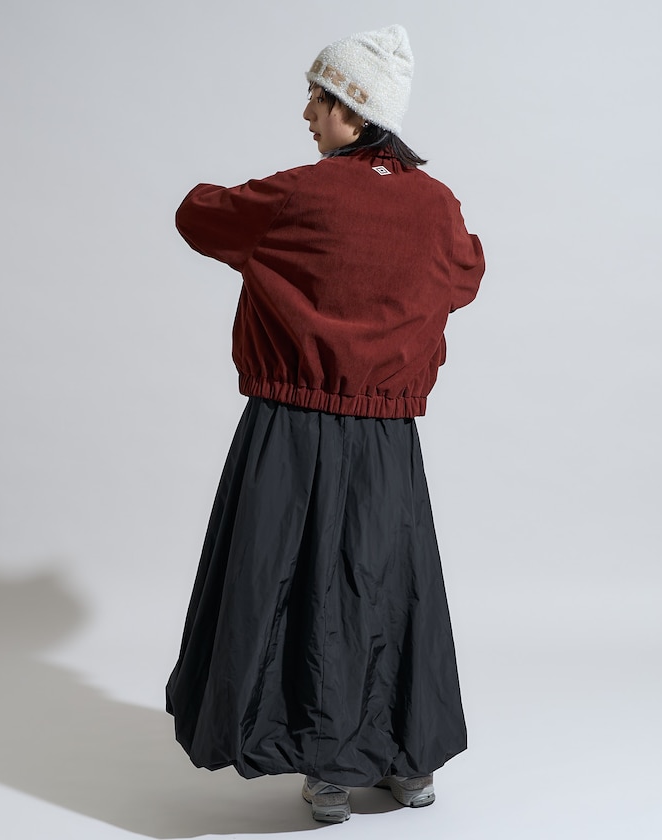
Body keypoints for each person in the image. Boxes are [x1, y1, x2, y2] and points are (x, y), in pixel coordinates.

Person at [166, 24, 485, 824]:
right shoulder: (436, 204)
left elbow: (198, 215)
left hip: (291, 425)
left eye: (320, 96)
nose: (308, 112)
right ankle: (408, 761)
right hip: (386, 435)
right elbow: (467, 273)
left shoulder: (299, 194)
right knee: (390, 585)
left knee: (295, 587)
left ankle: (327, 767)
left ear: (356, 106)